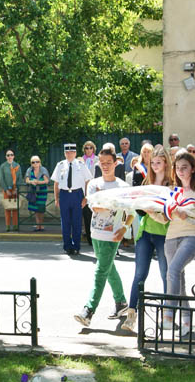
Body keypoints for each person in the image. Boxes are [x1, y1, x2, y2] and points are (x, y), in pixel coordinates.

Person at [74, 147, 133, 326]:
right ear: (98, 163)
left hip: (112, 235)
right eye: (103, 163)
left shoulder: (123, 186)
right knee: (108, 268)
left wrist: (124, 229)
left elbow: (131, 211)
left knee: (100, 271)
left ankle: (88, 310)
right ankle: (121, 302)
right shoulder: (93, 184)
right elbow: (95, 207)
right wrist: (112, 204)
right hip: (96, 232)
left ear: (116, 163)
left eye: (109, 163)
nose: (106, 166)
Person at [120, 145, 172, 332]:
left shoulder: (172, 184)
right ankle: (132, 315)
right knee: (139, 274)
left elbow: (168, 215)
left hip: (165, 234)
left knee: (167, 274)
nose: (155, 166)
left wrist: (152, 210)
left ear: (166, 163)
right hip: (145, 233)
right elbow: (137, 208)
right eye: (153, 163)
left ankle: (169, 314)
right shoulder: (146, 182)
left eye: (158, 162)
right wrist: (125, 226)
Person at [163, 149, 195, 335]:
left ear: (193, 169)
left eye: (185, 167)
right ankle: (187, 321)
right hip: (171, 238)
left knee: (173, 271)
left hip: (192, 236)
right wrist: (154, 212)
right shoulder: (173, 191)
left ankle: (168, 314)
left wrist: (188, 218)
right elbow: (164, 218)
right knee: (179, 280)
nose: (180, 171)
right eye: (177, 168)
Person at [52, 143, 91, 255]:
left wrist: (86, 197)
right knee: (65, 222)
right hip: (64, 194)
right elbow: (56, 183)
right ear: (64, 153)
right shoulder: (60, 165)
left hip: (77, 194)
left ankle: (76, 246)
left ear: (75, 153)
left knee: (77, 222)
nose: (69, 154)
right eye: (67, 152)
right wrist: (56, 198)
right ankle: (67, 246)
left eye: (71, 152)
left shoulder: (81, 165)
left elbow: (88, 180)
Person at [80, 142, 98, 245]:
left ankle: (95, 236)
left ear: (93, 149)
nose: (88, 149)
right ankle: (89, 237)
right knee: (86, 214)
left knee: (94, 214)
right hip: (83, 190)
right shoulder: (80, 160)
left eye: (91, 148)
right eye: (86, 148)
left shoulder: (97, 160)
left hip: (94, 189)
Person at [0, 150, 21, 232]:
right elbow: (1, 179)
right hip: (6, 190)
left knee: (15, 208)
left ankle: (15, 225)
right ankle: (8, 226)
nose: (10, 156)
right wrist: (6, 189)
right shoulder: (3, 166)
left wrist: (16, 189)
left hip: (15, 190)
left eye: (11, 154)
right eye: (8, 155)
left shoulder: (17, 166)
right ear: (6, 157)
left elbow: (19, 178)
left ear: (14, 156)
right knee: (7, 208)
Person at [24, 155, 49, 231]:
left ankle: (41, 225)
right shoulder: (29, 170)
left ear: (40, 162)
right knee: (35, 210)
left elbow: (47, 181)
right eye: (33, 162)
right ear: (31, 163)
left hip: (42, 192)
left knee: (41, 209)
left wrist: (38, 182)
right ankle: (38, 226)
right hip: (33, 192)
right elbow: (26, 180)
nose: (35, 163)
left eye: (37, 162)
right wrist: (31, 181)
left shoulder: (43, 170)